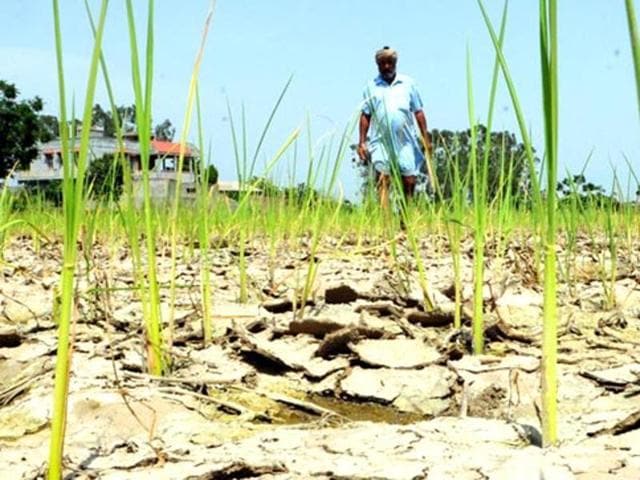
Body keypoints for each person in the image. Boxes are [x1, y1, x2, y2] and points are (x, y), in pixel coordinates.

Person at [357, 46, 432, 209]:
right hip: (381, 140)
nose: (386, 67)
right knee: (383, 178)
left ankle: (406, 218)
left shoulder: (408, 83)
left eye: (389, 63)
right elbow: (365, 115)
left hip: (405, 139)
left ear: (395, 63)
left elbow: (418, 111)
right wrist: (362, 142)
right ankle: (386, 223)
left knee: (409, 180)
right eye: (382, 64)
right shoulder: (371, 87)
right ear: (377, 65)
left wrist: (425, 137)